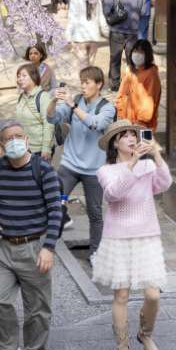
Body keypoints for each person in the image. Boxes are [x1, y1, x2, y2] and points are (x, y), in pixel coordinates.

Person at [0, 120, 62, 350]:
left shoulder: (43, 170)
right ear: (2, 145)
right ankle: (6, 349)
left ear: (27, 140)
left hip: (34, 248)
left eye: (19, 136)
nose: (14, 141)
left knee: (37, 308)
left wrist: (49, 248)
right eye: (9, 138)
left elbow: (55, 211)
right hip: (2, 247)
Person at [93, 120, 172, 350]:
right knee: (122, 295)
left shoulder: (148, 164)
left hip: (147, 235)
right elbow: (115, 194)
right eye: (124, 136)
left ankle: (145, 333)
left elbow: (164, 184)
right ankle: (122, 346)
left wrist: (156, 154)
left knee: (152, 294)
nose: (130, 138)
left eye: (133, 135)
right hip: (117, 238)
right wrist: (133, 164)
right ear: (115, 143)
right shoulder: (106, 171)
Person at [46, 66, 116, 257]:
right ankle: (48, 247)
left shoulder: (107, 107)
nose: (83, 86)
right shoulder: (75, 100)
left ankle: (95, 253)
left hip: (94, 169)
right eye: (81, 82)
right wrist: (53, 101)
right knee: (54, 204)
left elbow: (96, 124)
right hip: (69, 165)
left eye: (87, 82)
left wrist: (73, 107)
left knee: (95, 214)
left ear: (99, 84)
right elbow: (52, 118)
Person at [103, 0, 148, 92]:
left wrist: (112, 16)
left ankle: (114, 85)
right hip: (132, 31)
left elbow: (106, 7)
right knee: (132, 59)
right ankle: (133, 84)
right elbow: (144, 11)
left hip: (116, 30)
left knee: (115, 58)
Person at [115, 39, 162, 130]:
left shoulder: (151, 74)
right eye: (135, 51)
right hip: (127, 120)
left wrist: (141, 121)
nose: (137, 54)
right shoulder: (130, 70)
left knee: (144, 143)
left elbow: (149, 100)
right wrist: (120, 112)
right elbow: (122, 93)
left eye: (140, 52)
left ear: (147, 55)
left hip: (144, 124)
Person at [14, 63, 53, 162]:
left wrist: (46, 148)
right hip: (24, 149)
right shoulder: (21, 97)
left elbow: (49, 124)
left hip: (39, 151)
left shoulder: (43, 97)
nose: (20, 79)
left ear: (33, 77)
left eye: (24, 76)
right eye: (18, 76)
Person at [65, 0, 103, 69]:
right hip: (94, 37)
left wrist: (68, 37)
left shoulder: (74, 0)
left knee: (82, 67)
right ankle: (90, 81)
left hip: (80, 38)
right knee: (91, 66)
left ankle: (84, 83)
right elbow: (102, 20)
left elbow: (71, 21)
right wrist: (107, 33)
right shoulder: (97, 0)